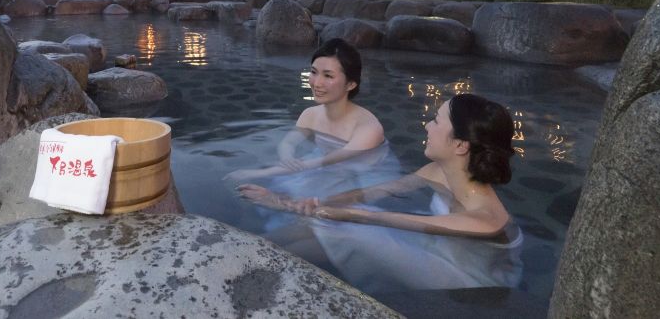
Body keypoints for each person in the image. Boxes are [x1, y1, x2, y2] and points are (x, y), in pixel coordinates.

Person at [238, 93, 523, 292]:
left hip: (468, 280)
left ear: (460, 145)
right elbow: (367, 194)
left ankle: (249, 266)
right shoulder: (437, 171)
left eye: (436, 121)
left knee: (354, 231)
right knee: (339, 220)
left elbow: (377, 219)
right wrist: (314, 203)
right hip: (438, 245)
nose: (427, 125)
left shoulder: (484, 219)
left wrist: (284, 204)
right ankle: (246, 251)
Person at [224, 37, 386, 185]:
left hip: (361, 179)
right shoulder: (310, 115)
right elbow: (288, 143)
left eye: (328, 76)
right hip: (323, 167)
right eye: (314, 72)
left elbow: (328, 161)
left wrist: (258, 173)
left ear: (350, 84)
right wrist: (287, 158)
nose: (317, 83)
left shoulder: (368, 128)